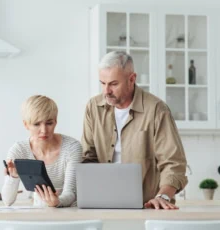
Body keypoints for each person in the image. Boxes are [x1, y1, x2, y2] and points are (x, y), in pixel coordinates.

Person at [81, 51, 188, 210]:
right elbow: (88, 158)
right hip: (103, 205)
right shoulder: (93, 107)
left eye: (113, 84)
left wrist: (163, 196)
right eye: (102, 83)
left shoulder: (156, 110)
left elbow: (173, 163)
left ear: (132, 79)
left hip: (148, 207)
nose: (106, 91)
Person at [2, 95, 82, 207]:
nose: (44, 130)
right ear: (26, 124)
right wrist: (13, 177)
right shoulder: (19, 150)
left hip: (70, 213)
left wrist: (57, 202)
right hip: (39, 215)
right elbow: (7, 200)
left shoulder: (72, 147)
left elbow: (71, 192)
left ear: (56, 122)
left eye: (49, 123)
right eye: (36, 124)